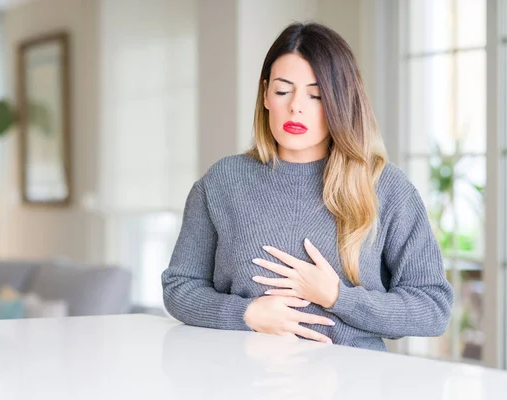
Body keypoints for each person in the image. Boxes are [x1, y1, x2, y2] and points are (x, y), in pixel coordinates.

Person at [161, 22, 454, 350]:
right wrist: (246, 314)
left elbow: (433, 308)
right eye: (283, 91)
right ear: (266, 94)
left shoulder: (385, 187)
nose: (296, 106)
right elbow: (180, 288)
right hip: (242, 381)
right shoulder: (222, 182)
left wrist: (337, 297)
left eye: (316, 95)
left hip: (355, 386)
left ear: (339, 102)